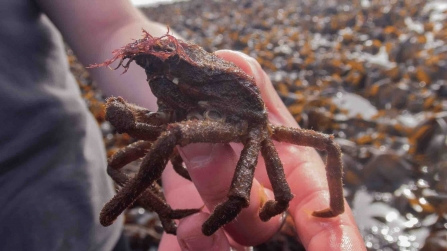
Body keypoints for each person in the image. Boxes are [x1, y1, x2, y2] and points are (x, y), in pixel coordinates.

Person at [0, 0, 366, 250]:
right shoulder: (165, 81)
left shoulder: (204, 82)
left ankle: (324, 210)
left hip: (77, 225)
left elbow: (111, 25)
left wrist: (280, 205)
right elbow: (150, 121)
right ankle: (166, 210)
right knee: (117, 159)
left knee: (248, 184)